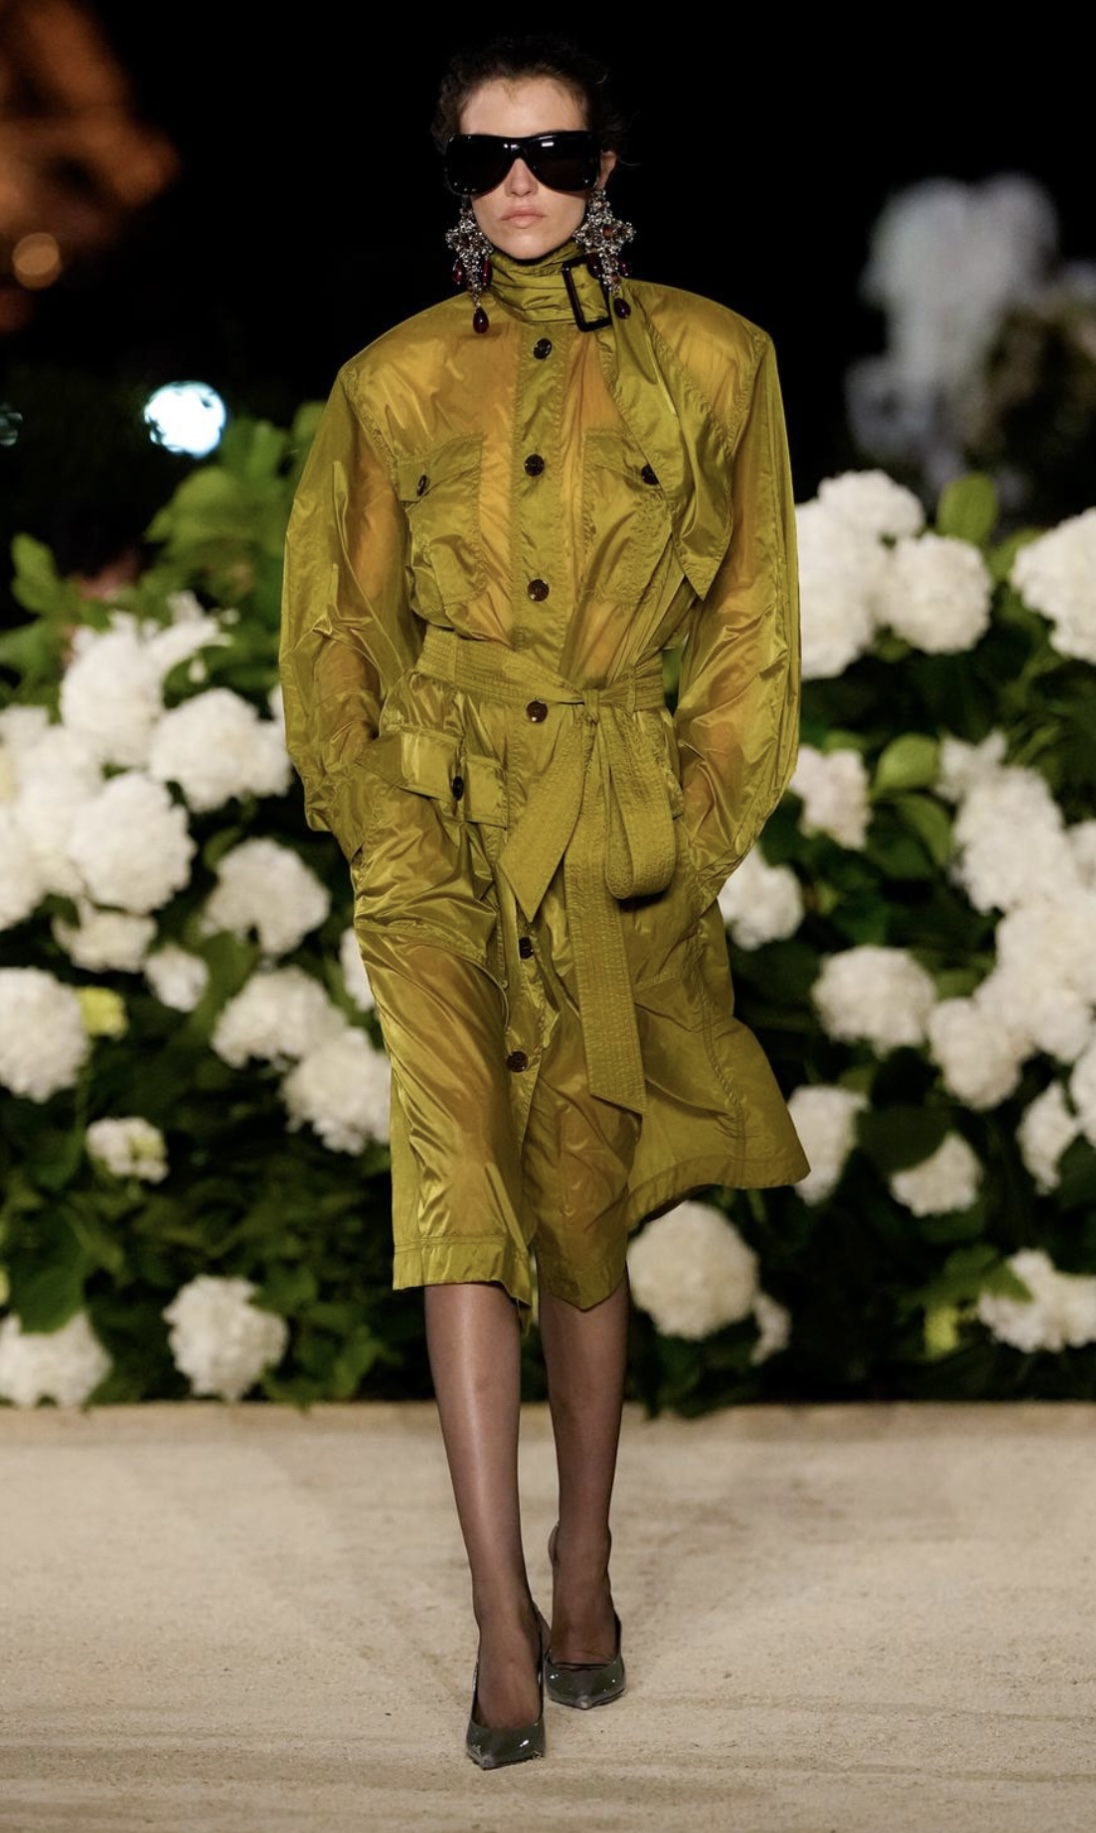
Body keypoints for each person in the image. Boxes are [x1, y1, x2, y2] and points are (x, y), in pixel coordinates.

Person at [279, 33, 809, 1770]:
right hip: (433, 825)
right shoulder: (387, 383)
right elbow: (335, 627)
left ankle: (584, 1559)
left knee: (580, 1205)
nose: (521, 183)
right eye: (486, 158)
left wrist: (694, 824)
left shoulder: (717, 361)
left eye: (555, 153)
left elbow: (751, 617)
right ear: (452, 178)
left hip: (615, 822)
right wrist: (376, 821)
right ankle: (499, 1611)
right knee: (457, 1181)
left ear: (605, 168)